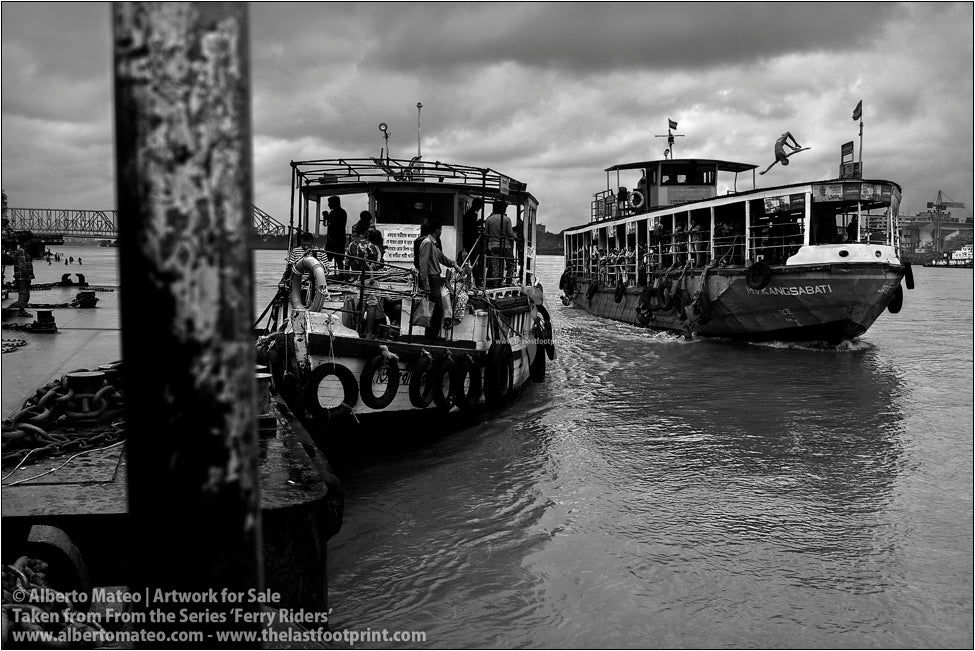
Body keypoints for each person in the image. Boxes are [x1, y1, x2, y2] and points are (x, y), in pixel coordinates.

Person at [417, 221, 457, 340]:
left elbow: (442, 258)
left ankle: (431, 335)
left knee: (436, 308)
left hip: (434, 279)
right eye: (440, 229)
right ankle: (431, 336)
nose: (441, 231)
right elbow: (423, 265)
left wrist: (454, 265)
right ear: (436, 230)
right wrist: (426, 284)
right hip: (431, 279)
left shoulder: (433, 244)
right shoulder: (428, 243)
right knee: (437, 308)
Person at [484, 201, 515, 287]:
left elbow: (486, 235)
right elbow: (510, 233)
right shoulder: (507, 219)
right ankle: (508, 281)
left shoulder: (489, 219)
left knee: (496, 265)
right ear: (503, 209)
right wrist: (517, 237)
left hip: (494, 246)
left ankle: (495, 283)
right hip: (506, 246)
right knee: (510, 265)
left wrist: (486, 247)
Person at [11, 235, 35, 317]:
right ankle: (21, 311)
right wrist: (27, 276)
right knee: (24, 293)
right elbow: (23, 265)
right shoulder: (22, 251)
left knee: (23, 293)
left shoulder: (22, 250)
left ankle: (22, 310)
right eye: (28, 241)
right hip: (23, 277)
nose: (29, 243)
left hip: (21, 276)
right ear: (24, 242)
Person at [323, 195, 348, 268]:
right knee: (335, 259)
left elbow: (336, 225)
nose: (328, 205)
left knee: (337, 259)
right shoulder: (337, 212)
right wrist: (326, 217)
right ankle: (340, 275)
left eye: (330, 203)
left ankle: (340, 275)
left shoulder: (340, 213)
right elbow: (327, 224)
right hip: (335, 240)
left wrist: (327, 217)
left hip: (337, 240)